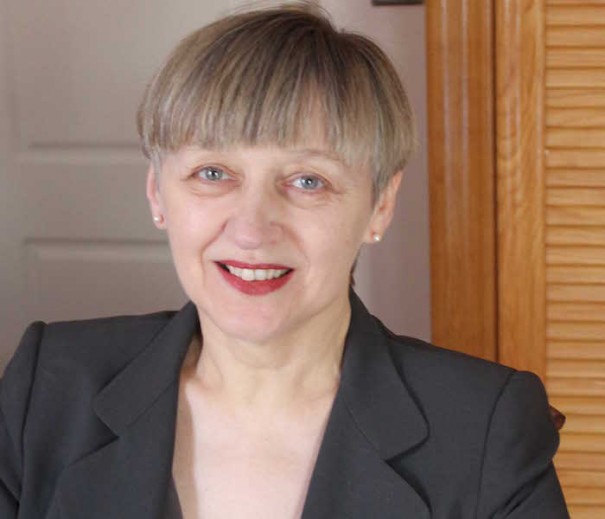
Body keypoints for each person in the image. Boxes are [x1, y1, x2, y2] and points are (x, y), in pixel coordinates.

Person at [0, 3, 569, 518]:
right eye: (213, 173)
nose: (251, 230)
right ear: (156, 193)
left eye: (307, 181)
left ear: (380, 204)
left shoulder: (485, 430)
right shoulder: (44, 388)